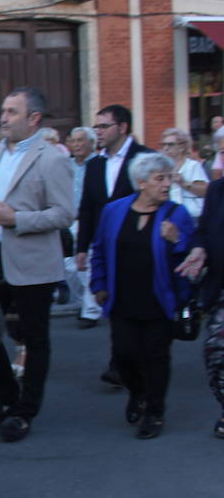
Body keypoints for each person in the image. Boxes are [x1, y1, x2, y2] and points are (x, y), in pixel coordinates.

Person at [0, 88, 76, 444]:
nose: (3, 117)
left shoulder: (52, 158)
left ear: (34, 118)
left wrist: (18, 219)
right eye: (3, 110)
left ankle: (24, 411)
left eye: (12, 112)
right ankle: (7, 397)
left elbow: (65, 213)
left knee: (35, 339)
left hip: (33, 261)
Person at [91, 153, 194, 439]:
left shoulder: (177, 214)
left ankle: (154, 412)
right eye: (159, 179)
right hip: (122, 299)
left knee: (156, 357)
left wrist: (178, 239)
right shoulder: (114, 211)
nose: (167, 184)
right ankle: (138, 393)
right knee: (124, 355)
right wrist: (99, 285)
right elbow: (99, 249)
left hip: (160, 300)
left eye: (169, 178)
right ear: (141, 182)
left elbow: (192, 256)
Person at [75, 105, 154, 333]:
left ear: (122, 127)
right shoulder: (95, 165)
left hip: (137, 243)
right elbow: (87, 208)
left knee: (138, 302)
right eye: (96, 127)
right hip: (103, 243)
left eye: (103, 126)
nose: (97, 132)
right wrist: (82, 247)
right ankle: (120, 362)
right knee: (113, 305)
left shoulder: (145, 157)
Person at [178, 176, 224, 437]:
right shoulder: (218, 189)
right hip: (221, 287)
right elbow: (203, 232)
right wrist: (199, 250)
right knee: (216, 351)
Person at [66, 127, 96, 314]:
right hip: (69, 220)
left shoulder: (98, 164)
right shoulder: (66, 165)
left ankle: (90, 309)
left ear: (91, 144)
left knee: (87, 264)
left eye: (81, 140)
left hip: (88, 220)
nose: (76, 145)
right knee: (69, 267)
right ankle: (80, 301)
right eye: (73, 140)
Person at [161, 128, 208, 218]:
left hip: (192, 216)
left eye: (170, 144)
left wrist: (183, 183)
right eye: (164, 145)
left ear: (182, 147)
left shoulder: (192, 165)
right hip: (169, 215)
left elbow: (205, 191)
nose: (166, 148)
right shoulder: (162, 168)